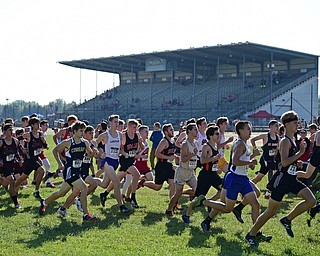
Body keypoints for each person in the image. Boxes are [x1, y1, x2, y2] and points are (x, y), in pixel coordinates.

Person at [246, 111, 316, 247]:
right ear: (287, 124)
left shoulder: (292, 141)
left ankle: (287, 219)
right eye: (295, 123)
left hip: (291, 179)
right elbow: (284, 162)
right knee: (270, 212)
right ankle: (251, 234)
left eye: (298, 122)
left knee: (311, 201)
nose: (298, 125)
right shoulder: (285, 141)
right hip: (282, 181)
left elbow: (289, 161)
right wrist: (300, 154)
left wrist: (297, 162)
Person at [194, 121, 261, 234]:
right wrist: (251, 161)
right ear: (241, 131)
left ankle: (255, 233)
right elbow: (235, 162)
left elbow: (248, 164)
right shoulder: (239, 144)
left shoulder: (245, 144)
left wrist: (253, 158)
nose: (251, 131)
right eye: (248, 129)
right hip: (234, 178)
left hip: (242, 178)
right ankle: (204, 202)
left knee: (256, 204)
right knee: (226, 208)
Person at [38, 121, 97, 222]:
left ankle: (45, 202)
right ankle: (86, 215)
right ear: (74, 131)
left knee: (61, 193)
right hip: (70, 171)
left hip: (77, 171)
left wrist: (95, 153)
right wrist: (60, 163)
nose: (83, 133)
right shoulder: (68, 142)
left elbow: (90, 154)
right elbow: (55, 150)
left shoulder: (85, 143)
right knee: (83, 188)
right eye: (81, 131)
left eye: (83, 131)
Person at [182, 125, 222, 223]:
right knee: (198, 197)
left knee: (224, 189)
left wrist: (217, 168)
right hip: (205, 176)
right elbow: (203, 160)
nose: (219, 135)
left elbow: (213, 162)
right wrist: (214, 158)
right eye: (217, 134)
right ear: (210, 135)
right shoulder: (206, 146)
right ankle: (187, 215)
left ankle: (209, 203)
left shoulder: (215, 146)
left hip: (213, 174)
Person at [57, 125, 98, 216]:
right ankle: (85, 213)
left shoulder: (91, 143)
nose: (92, 135)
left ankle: (63, 208)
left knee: (73, 192)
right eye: (89, 133)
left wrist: (97, 154)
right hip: (79, 171)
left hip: (84, 170)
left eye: (93, 133)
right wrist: (61, 162)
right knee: (82, 189)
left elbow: (91, 157)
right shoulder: (81, 142)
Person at [102, 119, 143, 208]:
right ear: (128, 127)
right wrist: (124, 153)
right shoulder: (124, 136)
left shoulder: (136, 136)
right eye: (134, 127)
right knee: (137, 175)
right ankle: (133, 197)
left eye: (136, 128)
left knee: (117, 180)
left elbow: (141, 148)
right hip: (125, 160)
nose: (135, 129)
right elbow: (119, 147)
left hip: (131, 160)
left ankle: (104, 194)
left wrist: (140, 141)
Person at [95, 115, 130, 213]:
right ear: (110, 123)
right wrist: (100, 152)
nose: (117, 124)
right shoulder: (105, 135)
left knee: (104, 184)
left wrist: (124, 154)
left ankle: (89, 182)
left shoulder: (120, 135)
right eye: (115, 122)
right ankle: (121, 206)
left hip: (115, 161)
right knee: (117, 182)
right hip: (107, 161)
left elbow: (119, 149)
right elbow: (94, 144)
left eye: (118, 122)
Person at [137, 124, 176, 204]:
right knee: (157, 187)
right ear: (165, 132)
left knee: (173, 184)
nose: (172, 131)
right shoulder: (164, 141)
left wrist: (175, 157)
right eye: (170, 130)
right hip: (161, 166)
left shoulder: (172, 141)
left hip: (169, 166)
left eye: (172, 129)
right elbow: (157, 154)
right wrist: (168, 158)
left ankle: (173, 204)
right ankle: (143, 182)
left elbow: (169, 153)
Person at [166, 123, 198, 216]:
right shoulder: (185, 144)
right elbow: (183, 159)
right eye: (195, 130)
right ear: (189, 132)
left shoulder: (194, 143)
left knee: (198, 191)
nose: (197, 132)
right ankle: (169, 209)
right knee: (177, 194)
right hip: (182, 172)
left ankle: (183, 193)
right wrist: (193, 154)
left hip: (190, 172)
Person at [14, 117, 46, 199]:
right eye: (37, 124)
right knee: (42, 171)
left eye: (39, 124)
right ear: (32, 125)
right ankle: (36, 191)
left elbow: (43, 144)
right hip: (30, 159)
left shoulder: (40, 134)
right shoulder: (28, 134)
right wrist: (22, 148)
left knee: (22, 178)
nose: (39, 125)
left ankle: (13, 188)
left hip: (35, 158)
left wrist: (45, 145)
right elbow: (16, 140)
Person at [0, 124, 21, 208]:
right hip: (3, 166)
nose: (12, 131)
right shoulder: (1, 142)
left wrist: (19, 160)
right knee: (12, 181)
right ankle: (16, 203)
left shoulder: (15, 141)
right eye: (9, 130)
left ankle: (2, 182)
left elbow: (16, 152)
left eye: (12, 129)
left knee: (9, 182)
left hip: (12, 165)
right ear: (5, 131)